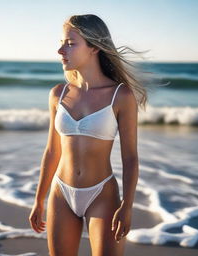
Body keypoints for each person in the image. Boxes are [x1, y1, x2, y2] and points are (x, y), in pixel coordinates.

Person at [29, 14, 149, 256]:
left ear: (94, 47)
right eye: (62, 42)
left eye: (70, 44)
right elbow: (53, 150)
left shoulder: (121, 96)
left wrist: (127, 205)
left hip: (102, 194)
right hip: (61, 193)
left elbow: (130, 158)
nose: (61, 50)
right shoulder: (58, 94)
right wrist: (38, 199)